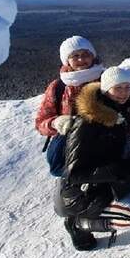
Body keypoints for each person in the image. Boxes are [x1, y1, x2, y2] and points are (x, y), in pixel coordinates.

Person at [55, 67, 130, 251]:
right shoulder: (86, 123)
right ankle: (77, 224)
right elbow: (74, 174)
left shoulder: (118, 112)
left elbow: (114, 146)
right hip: (81, 193)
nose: (124, 92)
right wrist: (118, 170)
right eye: (118, 88)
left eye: (128, 87)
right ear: (105, 89)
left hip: (105, 182)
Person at [34, 36, 111, 175]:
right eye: (75, 56)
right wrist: (55, 123)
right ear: (67, 60)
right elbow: (41, 122)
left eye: (86, 54)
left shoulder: (106, 79)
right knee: (61, 170)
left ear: (93, 56)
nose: (81, 60)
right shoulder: (58, 86)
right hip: (71, 142)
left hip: (103, 138)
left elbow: (125, 106)